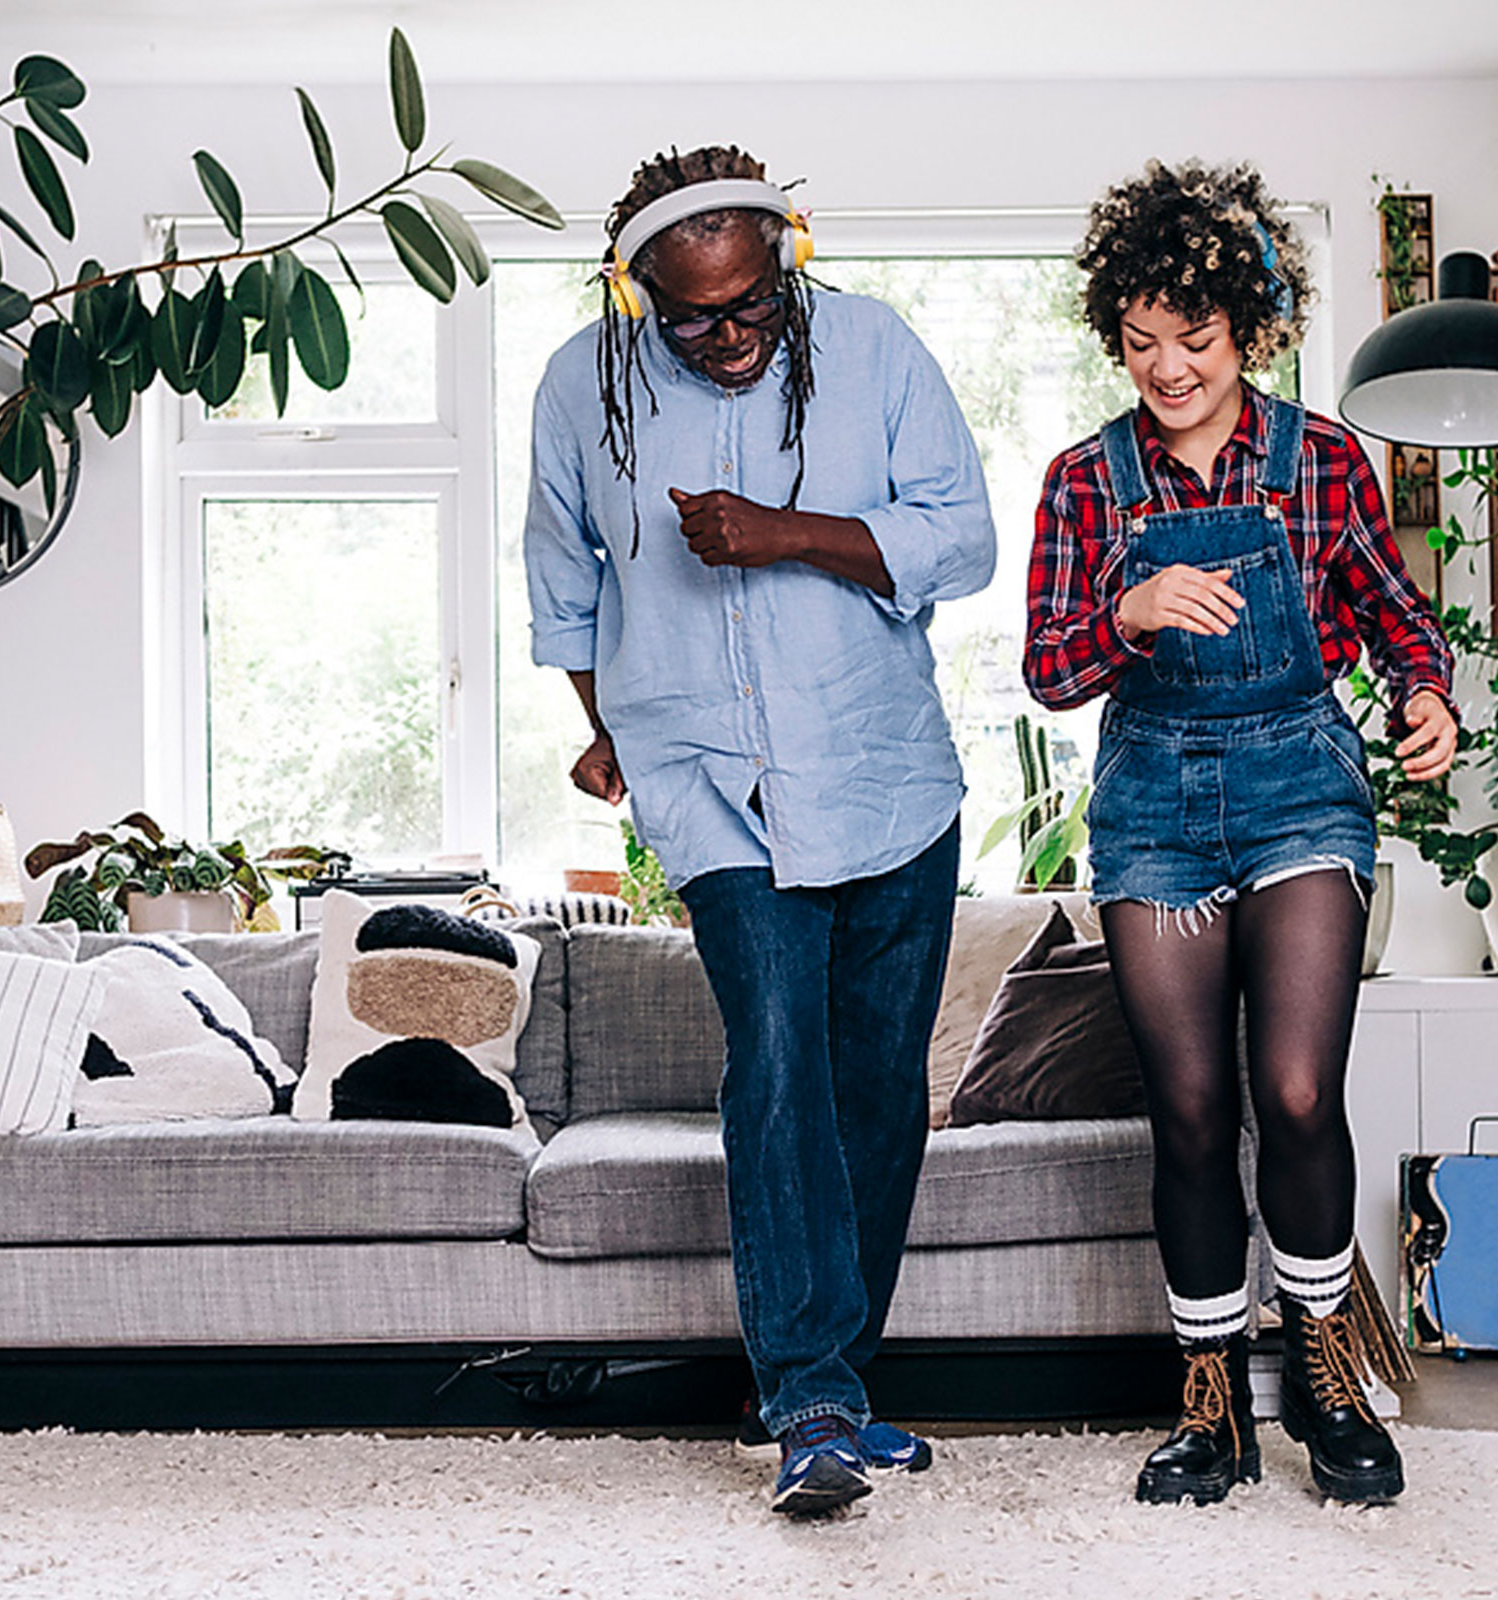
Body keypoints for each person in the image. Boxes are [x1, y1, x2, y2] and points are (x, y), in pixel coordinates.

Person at [521, 146, 994, 1517]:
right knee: (775, 1060)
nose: (726, 337)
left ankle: (836, 1386)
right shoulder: (582, 385)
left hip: (884, 771)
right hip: (705, 772)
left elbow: (960, 540)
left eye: (749, 306)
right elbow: (567, 584)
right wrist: (604, 718)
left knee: (875, 1089)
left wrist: (785, 533)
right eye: (691, 316)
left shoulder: (876, 347)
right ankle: (816, 1403)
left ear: (784, 261)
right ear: (639, 293)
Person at [1023, 160, 1459, 1509]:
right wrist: (1131, 614)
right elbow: (1047, 669)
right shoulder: (1084, 480)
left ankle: (1325, 1370)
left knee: (1293, 1093)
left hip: (1299, 783)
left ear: (1249, 326)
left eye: (1194, 341)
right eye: (1141, 343)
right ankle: (1209, 1405)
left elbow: (1396, 614)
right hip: (1153, 799)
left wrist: (1427, 693)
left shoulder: (1322, 458)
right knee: (1194, 1111)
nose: (1167, 368)